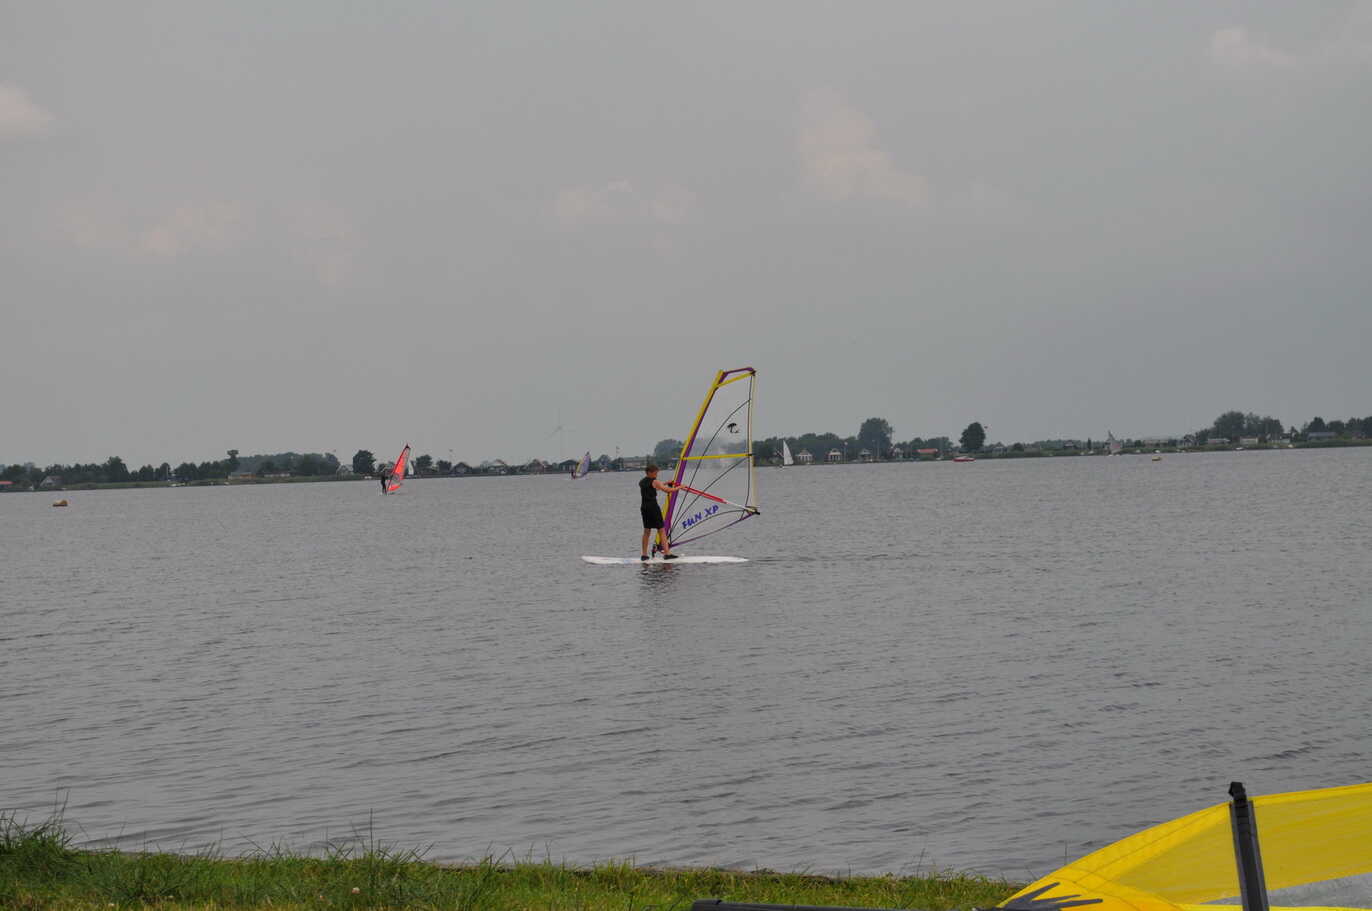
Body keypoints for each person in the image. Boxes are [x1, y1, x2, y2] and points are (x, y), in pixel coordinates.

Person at [640, 464, 682, 561]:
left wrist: (666, 483)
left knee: (647, 531)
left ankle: (644, 555)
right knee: (661, 530)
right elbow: (668, 490)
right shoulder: (655, 481)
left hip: (644, 508)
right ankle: (667, 554)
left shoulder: (642, 482)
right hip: (653, 508)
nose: (656, 475)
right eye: (655, 473)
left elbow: (655, 487)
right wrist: (679, 487)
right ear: (649, 472)